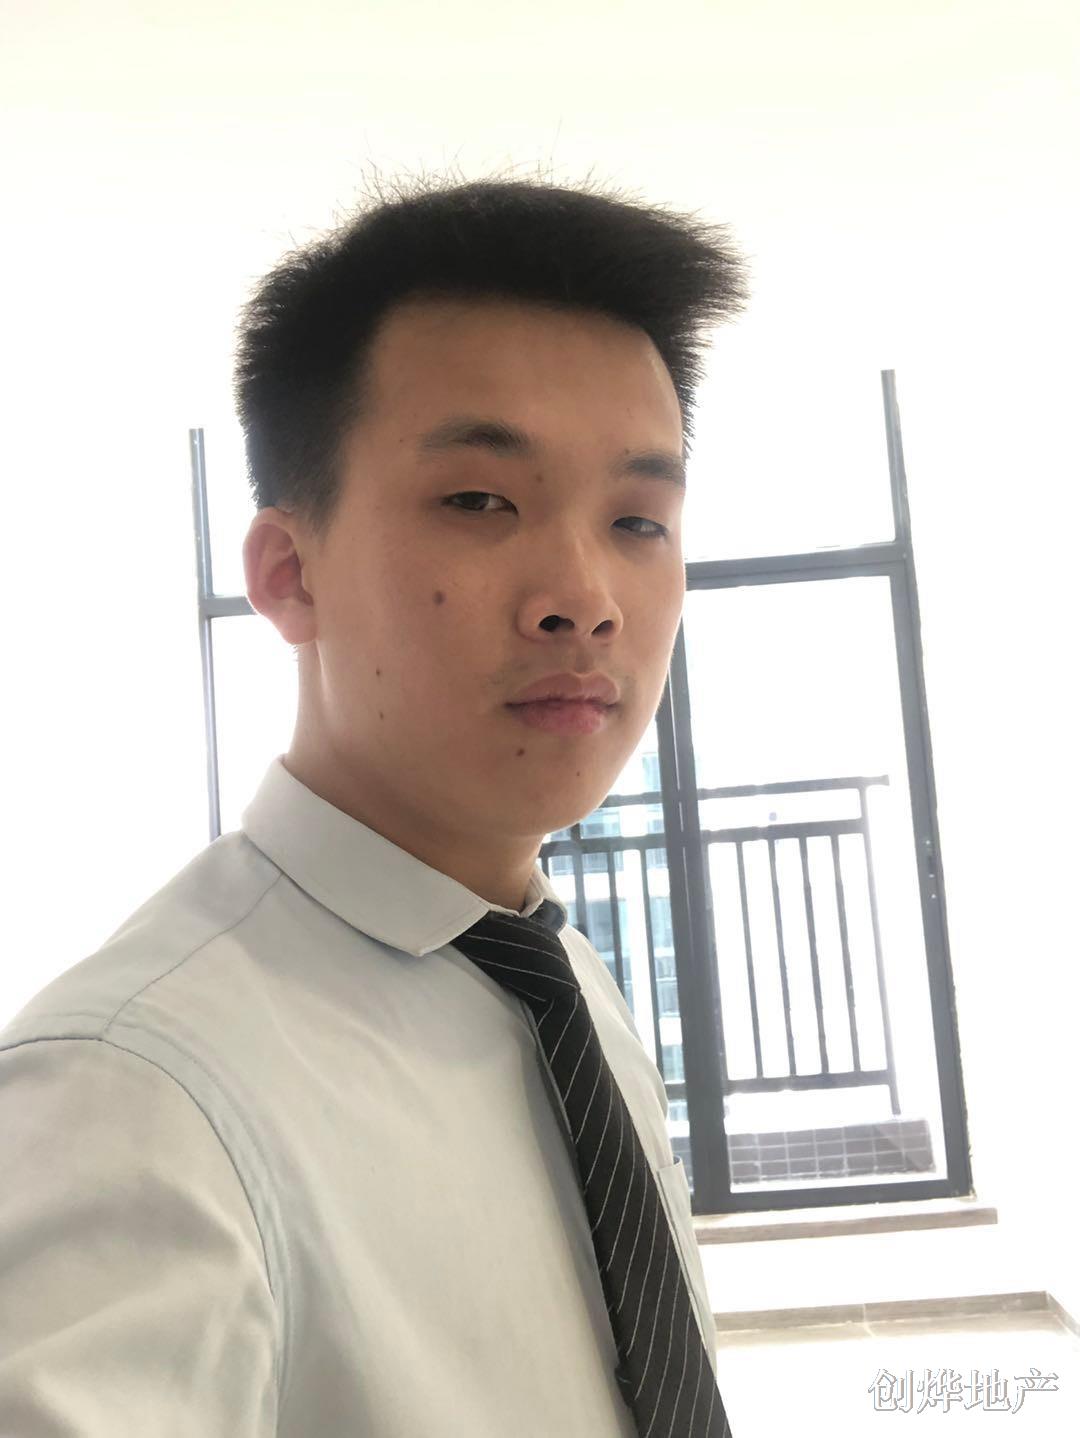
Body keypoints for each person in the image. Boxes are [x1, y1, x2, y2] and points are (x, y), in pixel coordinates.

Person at [0, 166, 749, 1435]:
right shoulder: (133, 1095)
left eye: (638, 520)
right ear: (289, 573)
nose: (584, 597)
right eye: (479, 500)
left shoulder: (565, 985)